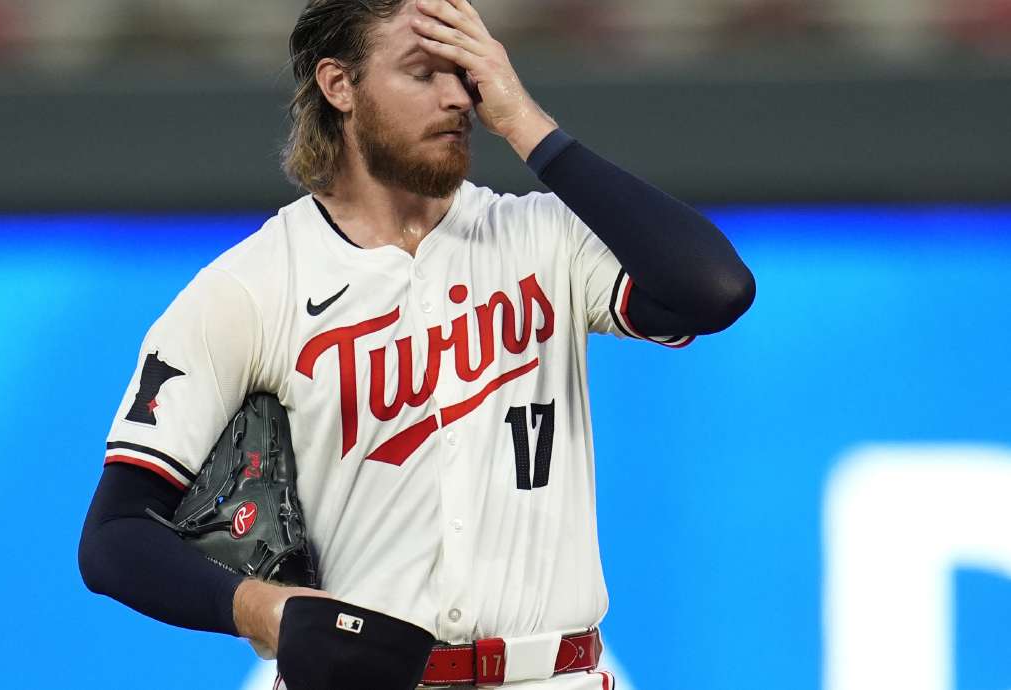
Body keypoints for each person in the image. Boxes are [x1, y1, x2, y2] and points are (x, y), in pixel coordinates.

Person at [78, 0, 756, 687]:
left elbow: (716, 289)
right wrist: (260, 608)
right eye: (423, 72)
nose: (459, 96)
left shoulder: (544, 237)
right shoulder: (253, 286)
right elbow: (115, 535)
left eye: (465, 72)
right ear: (339, 85)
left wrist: (527, 122)